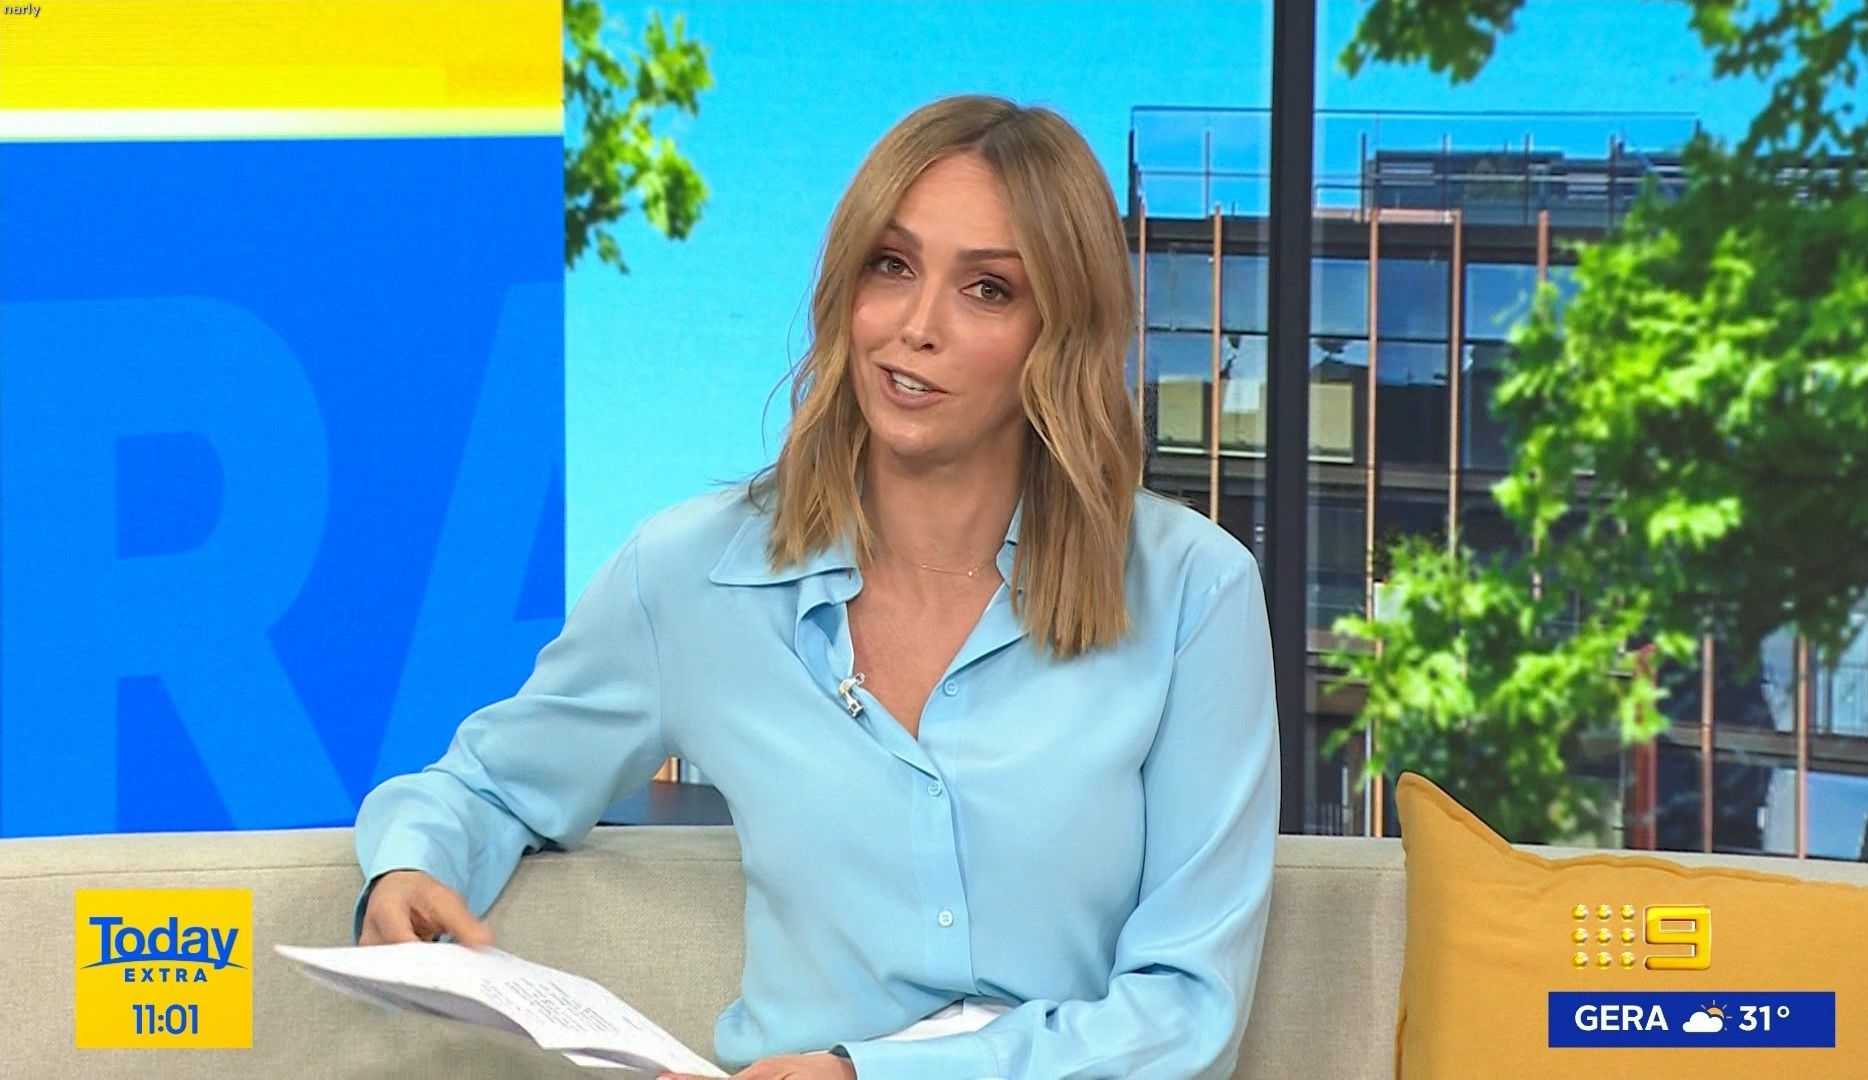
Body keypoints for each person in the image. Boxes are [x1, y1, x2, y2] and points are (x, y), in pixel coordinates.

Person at [354, 93, 1280, 1079]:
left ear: (1060, 332)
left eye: (988, 290)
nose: (916, 327)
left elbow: (1188, 1011)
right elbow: (492, 783)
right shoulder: (694, 573)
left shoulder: (1193, 592)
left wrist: (864, 1074)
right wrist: (412, 864)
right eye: (891, 266)